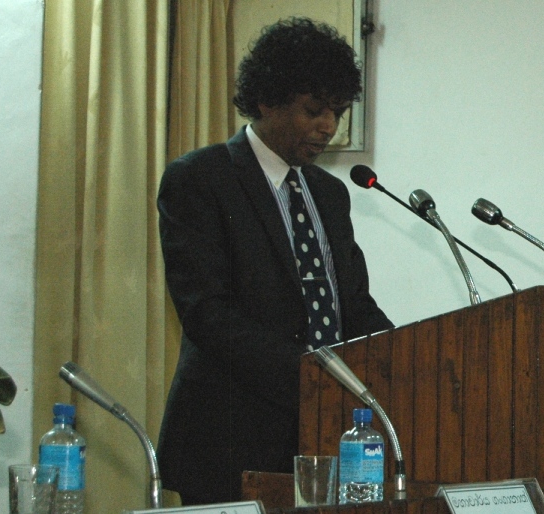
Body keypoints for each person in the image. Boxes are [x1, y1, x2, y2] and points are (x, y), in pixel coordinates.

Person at [156, 17, 393, 505]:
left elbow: (352, 304)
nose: (328, 126)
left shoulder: (329, 194)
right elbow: (208, 314)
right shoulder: (200, 179)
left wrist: (407, 359)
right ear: (266, 99)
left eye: (338, 112)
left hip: (330, 437)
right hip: (230, 440)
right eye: (313, 110)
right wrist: (314, 379)